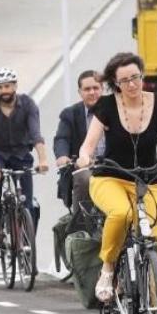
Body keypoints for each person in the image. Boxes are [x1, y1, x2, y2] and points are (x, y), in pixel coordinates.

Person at [76, 53, 157, 314]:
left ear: (143, 76)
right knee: (121, 214)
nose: (132, 84)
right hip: (110, 178)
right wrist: (83, 157)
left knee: (156, 245)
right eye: (125, 80)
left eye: (136, 77)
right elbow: (88, 144)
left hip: (148, 181)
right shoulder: (105, 106)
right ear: (116, 84)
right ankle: (107, 271)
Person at [0, 68, 50, 238]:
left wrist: (43, 160)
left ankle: (28, 242)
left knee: (28, 202)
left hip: (21, 154)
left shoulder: (28, 105)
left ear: (15, 86)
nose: (4, 91)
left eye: (7, 86)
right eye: (0, 87)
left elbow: (36, 134)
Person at [54, 70, 104, 210]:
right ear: (80, 92)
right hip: (83, 166)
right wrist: (63, 156)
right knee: (84, 178)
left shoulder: (116, 110)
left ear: (102, 89)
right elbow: (62, 138)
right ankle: (79, 227)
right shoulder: (70, 114)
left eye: (95, 88)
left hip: (112, 165)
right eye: (87, 89)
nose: (92, 92)